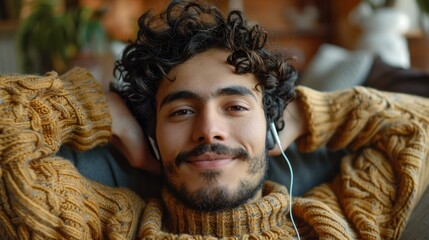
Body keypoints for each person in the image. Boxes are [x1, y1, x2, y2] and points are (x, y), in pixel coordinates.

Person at [1, 0, 429, 239]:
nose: (209, 129)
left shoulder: (341, 220)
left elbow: (420, 125)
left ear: (272, 128)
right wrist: (99, 111)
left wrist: (312, 111)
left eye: (236, 106)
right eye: (182, 111)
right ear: (153, 138)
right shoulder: (110, 226)